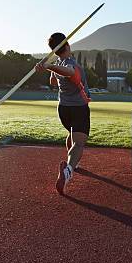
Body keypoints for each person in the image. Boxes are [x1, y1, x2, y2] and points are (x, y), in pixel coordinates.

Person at [35, 32, 91, 195]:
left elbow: (53, 81)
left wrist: (49, 66)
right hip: (78, 108)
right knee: (79, 143)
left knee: (71, 134)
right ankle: (68, 171)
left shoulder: (58, 62)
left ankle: (73, 162)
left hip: (63, 109)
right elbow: (70, 72)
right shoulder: (69, 63)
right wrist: (49, 66)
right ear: (67, 45)